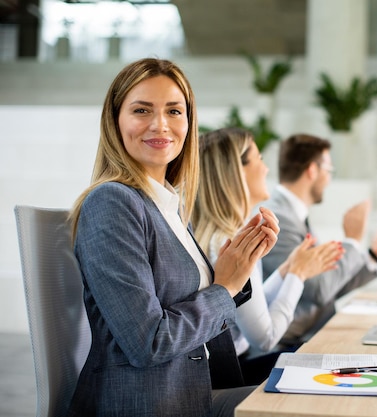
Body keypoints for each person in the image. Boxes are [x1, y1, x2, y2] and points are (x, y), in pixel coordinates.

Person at [67, 58, 279, 417]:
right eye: (142, 110)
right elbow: (149, 342)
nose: (160, 124)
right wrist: (224, 287)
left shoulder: (171, 206)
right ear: (115, 121)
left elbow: (202, 316)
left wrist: (237, 271)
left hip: (195, 391)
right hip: (149, 403)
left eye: (174, 111)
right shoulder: (112, 202)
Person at [192, 127, 344, 384]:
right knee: (326, 360)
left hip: (236, 364)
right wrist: (297, 275)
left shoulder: (225, 235)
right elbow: (265, 337)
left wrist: (287, 270)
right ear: (237, 172)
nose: (266, 169)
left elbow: (251, 304)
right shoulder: (231, 244)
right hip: (233, 373)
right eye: (259, 160)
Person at [261, 133, 377, 348]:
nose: (329, 179)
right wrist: (353, 240)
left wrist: (373, 254)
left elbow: (329, 283)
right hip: (288, 344)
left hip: (308, 336)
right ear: (312, 170)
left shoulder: (294, 215)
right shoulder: (278, 218)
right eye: (328, 171)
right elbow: (320, 291)